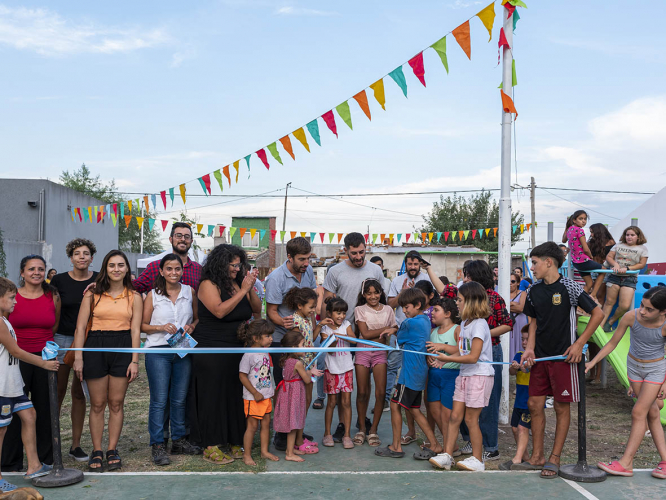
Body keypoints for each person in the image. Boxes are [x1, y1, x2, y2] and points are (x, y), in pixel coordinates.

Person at [520, 242, 603, 478]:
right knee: (534, 404)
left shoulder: (569, 286)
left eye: (534, 262)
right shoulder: (534, 290)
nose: (532, 267)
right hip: (540, 359)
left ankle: (554, 458)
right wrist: (530, 349)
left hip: (564, 359)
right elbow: (534, 322)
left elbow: (598, 313)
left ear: (549, 262)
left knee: (560, 406)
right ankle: (537, 456)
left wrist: (579, 344)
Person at [190, 244, 261, 465]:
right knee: (213, 396)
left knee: (234, 394)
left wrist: (248, 288)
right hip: (212, 348)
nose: (237, 269)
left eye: (240, 265)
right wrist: (242, 291)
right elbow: (219, 311)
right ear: (221, 263)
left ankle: (233, 439)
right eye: (233, 265)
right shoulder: (207, 284)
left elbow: (257, 310)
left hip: (237, 347)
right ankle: (210, 444)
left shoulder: (239, 283)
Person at [586, 286, 666, 479]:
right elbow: (612, 343)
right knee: (653, 412)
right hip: (634, 368)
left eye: (649, 309)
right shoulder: (631, 316)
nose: (643, 311)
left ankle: (626, 463)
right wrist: (592, 362)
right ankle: (665, 460)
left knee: (639, 412)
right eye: (642, 305)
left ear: (663, 311)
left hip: (655, 370)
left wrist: (664, 383)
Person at [72, 250, 141, 472]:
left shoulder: (135, 297)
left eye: (121, 265)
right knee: (98, 404)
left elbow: (136, 330)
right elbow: (80, 328)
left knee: (116, 403)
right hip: (95, 346)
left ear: (127, 269)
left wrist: (135, 360)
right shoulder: (92, 294)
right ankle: (97, 450)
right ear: (105, 268)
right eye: (112, 265)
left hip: (122, 346)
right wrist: (79, 357)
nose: (116, 269)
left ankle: (112, 449)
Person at [429, 282, 496, 472]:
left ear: (471, 302)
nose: (456, 303)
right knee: (454, 416)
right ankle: (447, 455)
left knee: (470, 419)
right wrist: (445, 360)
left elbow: (474, 356)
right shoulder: (465, 324)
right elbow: (462, 350)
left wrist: (445, 356)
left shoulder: (479, 325)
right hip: (465, 374)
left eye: (459, 299)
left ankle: (477, 459)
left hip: (479, 376)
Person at [322, 232, 384, 438]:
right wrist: (328, 328)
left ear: (366, 248)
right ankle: (342, 423)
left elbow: (382, 299)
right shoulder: (335, 271)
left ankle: (361, 418)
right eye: (354, 253)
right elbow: (327, 302)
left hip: (369, 335)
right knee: (342, 378)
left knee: (364, 384)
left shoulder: (375, 269)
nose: (358, 257)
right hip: (344, 334)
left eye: (361, 252)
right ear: (345, 250)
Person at [141, 254, 200, 466]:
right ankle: (157, 444)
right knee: (159, 400)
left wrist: (192, 326)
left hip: (182, 349)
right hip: (157, 351)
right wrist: (160, 327)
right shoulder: (152, 295)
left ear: (182, 271)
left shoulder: (189, 291)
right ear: (161, 271)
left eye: (177, 269)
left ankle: (178, 440)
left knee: (179, 398)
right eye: (169, 269)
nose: (174, 273)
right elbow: (142, 325)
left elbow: (196, 317)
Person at [2, 255, 60, 472]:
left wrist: (43, 350)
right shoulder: (11, 297)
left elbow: (53, 326)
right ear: (22, 272)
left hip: (45, 358)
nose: (36, 272)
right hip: (16, 359)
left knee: (45, 410)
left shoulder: (52, 295)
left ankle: (46, 460)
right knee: (14, 410)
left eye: (41, 269)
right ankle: (10, 463)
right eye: (31, 269)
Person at [375, 288, 443, 460]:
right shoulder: (425, 320)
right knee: (414, 410)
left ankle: (396, 447)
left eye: (406, 307)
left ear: (418, 305)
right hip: (419, 373)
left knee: (395, 405)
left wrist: (393, 330)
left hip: (409, 374)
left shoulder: (409, 323)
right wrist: (395, 329)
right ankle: (434, 444)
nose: (404, 311)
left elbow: (401, 338)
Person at [264, 237, 317, 449]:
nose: (306, 263)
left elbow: (311, 302)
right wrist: (292, 329)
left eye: (308, 258)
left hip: (305, 342)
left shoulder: (309, 271)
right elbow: (271, 312)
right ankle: (281, 433)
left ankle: (297, 432)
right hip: (282, 342)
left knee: (304, 388)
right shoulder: (276, 278)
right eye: (302, 259)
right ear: (289, 257)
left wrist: (312, 330)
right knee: (285, 390)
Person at [457, 260, 512, 462]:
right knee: (467, 401)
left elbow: (507, 324)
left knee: (487, 402)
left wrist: (482, 335)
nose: (464, 279)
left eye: (468, 276)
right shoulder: (464, 298)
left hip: (490, 354)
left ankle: (490, 446)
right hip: (469, 354)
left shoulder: (494, 298)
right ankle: (473, 440)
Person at [50, 238, 98, 462]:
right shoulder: (58, 280)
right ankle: (51, 443)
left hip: (87, 340)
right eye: (77, 253)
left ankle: (76, 445)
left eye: (86, 253)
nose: (82, 257)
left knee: (79, 394)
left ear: (91, 257)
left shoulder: (100, 279)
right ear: (70, 257)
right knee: (57, 393)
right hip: (61, 340)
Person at [386, 250, 432, 417]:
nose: (412, 267)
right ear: (405, 264)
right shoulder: (397, 280)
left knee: (414, 369)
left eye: (415, 263)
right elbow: (390, 303)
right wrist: (403, 293)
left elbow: (430, 302)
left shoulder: (426, 279)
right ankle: (387, 397)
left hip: (417, 333)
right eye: (410, 264)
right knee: (393, 366)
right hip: (400, 329)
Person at [354, 279, 396, 446]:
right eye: (369, 293)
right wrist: (390, 329)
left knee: (380, 393)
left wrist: (393, 328)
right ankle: (362, 428)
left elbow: (394, 328)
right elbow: (364, 333)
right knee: (362, 392)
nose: (373, 296)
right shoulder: (359, 310)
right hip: (362, 351)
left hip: (380, 353)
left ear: (381, 293)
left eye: (376, 292)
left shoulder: (388, 310)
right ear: (364, 294)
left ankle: (373, 431)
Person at [273, 331, 323, 462]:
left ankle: (291, 448)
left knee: (292, 423)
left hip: (287, 394)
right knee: (293, 424)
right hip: (294, 395)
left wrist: (308, 371)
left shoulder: (286, 360)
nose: (305, 347)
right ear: (294, 347)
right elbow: (306, 380)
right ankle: (289, 453)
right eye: (302, 345)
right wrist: (311, 372)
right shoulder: (298, 363)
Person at [424, 292, 461, 457]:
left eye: (436, 310)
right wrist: (429, 358)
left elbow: (462, 351)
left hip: (451, 375)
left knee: (447, 414)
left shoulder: (456, 330)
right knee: (434, 411)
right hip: (433, 375)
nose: (432, 313)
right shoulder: (433, 331)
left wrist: (442, 347)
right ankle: (450, 445)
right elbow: (429, 352)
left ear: (448, 314)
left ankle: (448, 448)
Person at [238, 320, 279, 466]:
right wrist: (255, 393)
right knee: (252, 427)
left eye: (271, 335)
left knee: (266, 424)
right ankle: (247, 455)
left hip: (266, 396)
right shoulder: (249, 355)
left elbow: (267, 374)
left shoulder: (265, 352)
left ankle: (264, 451)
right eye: (267, 336)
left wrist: (269, 390)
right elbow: (242, 376)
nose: (271, 339)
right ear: (256, 338)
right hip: (253, 398)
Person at [318, 297, 355, 450]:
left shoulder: (346, 325)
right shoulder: (324, 329)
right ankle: (327, 433)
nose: (341, 316)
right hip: (331, 369)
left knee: (346, 402)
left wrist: (339, 335)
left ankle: (347, 435)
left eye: (343, 313)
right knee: (331, 403)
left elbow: (353, 340)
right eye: (337, 313)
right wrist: (333, 335)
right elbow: (331, 349)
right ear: (329, 313)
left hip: (347, 368)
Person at [601, 226, 649, 332]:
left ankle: (611, 321)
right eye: (627, 235)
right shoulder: (618, 245)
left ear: (638, 236)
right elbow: (609, 257)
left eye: (632, 235)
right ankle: (601, 325)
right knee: (609, 302)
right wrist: (615, 265)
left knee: (625, 306)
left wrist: (627, 268)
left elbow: (642, 264)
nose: (629, 237)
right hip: (614, 276)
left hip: (629, 278)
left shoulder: (642, 249)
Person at [133, 222, 202, 293]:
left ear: (191, 241)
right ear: (171, 239)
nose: (183, 239)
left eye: (187, 237)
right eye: (178, 236)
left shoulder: (198, 270)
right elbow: (132, 289)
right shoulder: (155, 267)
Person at [499, 325, 532, 470]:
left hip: (530, 401)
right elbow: (512, 372)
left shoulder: (538, 357)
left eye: (527, 339)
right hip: (519, 399)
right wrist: (514, 366)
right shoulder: (519, 354)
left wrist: (526, 367)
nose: (524, 343)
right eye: (522, 339)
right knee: (514, 428)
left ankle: (517, 459)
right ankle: (526, 458)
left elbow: (531, 369)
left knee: (522, 428)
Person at [563, 210, 603, 294]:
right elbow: (586, 249)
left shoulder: (569, 229)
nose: (583, 221)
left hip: (576, 262)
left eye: (585, 219)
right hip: (583, 260)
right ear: (574, 220)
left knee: (589, 283)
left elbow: (563, 240)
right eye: (580, 219)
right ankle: (594, 294)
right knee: (604, 270)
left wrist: (567, 226)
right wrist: (591, 257)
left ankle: (580, 305)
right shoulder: (580, 230)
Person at [587, 223, 616, 302]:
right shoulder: (590, 243)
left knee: (600, 295)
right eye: (590, 232)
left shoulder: (611, 242)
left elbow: (614, 256)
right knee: (591, 293)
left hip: (605, 269)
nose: (591, 234)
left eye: (592, 232)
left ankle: (599, 312)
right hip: (593, 269)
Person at [509, 273, 528, 361]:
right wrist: (514, 304)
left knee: (521, 342)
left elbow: (521, 308)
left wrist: (508, 305)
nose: (510, 283)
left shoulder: (523, 293)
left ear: (517, 283)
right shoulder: (502, 292)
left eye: (513, 281)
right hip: (508, 323)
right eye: (508, 281)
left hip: (520, 322)